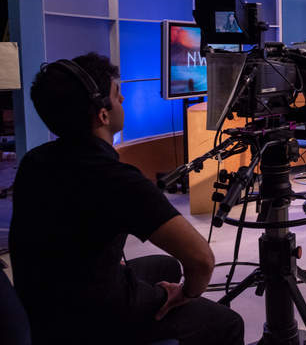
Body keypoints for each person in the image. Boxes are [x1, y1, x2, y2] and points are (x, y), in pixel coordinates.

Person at [10, 53, 244, 344]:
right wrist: (186, 294)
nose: (123, 100)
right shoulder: (116, 180)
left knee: (165, 265)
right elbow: (201, 260)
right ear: (103, 114)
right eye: (117, 95)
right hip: (89, 319)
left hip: (44, 306)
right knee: (229, 322)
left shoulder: (35, 161)